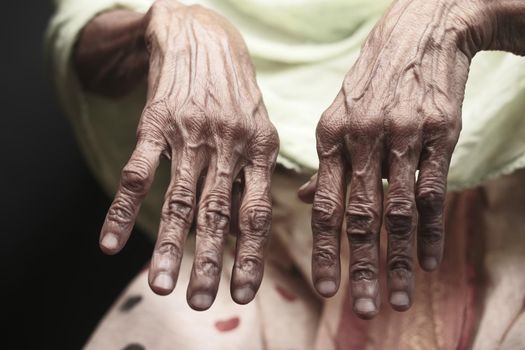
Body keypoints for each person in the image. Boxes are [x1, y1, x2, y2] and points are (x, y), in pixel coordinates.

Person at [46, 0, 525, 348]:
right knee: (170, 326)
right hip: (267, 232)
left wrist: (463, 13)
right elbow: (82, 27)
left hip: (510, 203)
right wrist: (172, 22)